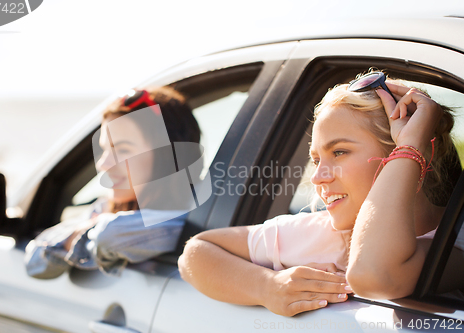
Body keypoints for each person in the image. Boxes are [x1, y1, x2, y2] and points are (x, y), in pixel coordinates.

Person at [178, 71, 462, 317]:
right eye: (316, 160)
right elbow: (195, 253)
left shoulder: (454, 243)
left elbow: (373, 274)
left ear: (410, 153)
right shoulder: (320, 232)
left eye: (339, 152)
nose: (317, 176)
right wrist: (267, 287)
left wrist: (411, 146)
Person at [25, 86, 202, 279]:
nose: (103, 164)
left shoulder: (202, 213)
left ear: (169, 156)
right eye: (104, 149)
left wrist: (85, 231)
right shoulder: (109, 206)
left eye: (123, 150)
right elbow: (34, 260)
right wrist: (91, 229)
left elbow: (109, 235)